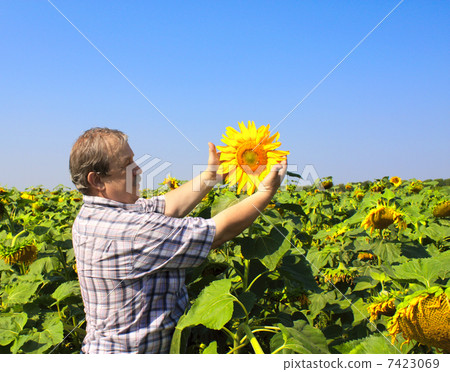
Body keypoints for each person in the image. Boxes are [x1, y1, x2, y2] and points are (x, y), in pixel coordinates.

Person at [69, 127, 287, 353]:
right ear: (97, 180)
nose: (138, 169)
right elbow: (215, 232)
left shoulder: (91, 215)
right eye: (126, 165)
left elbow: (167, 206)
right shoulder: (129, 231)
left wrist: (211, 175)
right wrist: (264, 193)